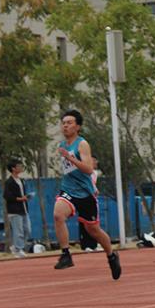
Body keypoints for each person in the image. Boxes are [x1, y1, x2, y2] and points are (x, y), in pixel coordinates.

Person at [52, 109, 122, 277]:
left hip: (85, 194)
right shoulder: (62, 145)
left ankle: (112, 255)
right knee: (58, 215)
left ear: (78, 126)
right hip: (68, 189)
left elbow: (88, 169)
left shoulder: (82, 144)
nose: (65, 126)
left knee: (93, 230)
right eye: (63, 123)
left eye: (69, 123)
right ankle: (66, 254)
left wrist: (70, 158)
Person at [4, 160, 31, 258]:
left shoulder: (21, 180)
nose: (21, 167)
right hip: (14, 210)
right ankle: (18, 249)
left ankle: (16, 247)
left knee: (27, 229)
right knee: (18, 230)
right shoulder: (9, 182)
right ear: (13, 169)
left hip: (24, 209)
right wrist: (20, 199)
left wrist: (26, 197)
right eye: (19, 166)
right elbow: (7, 196)